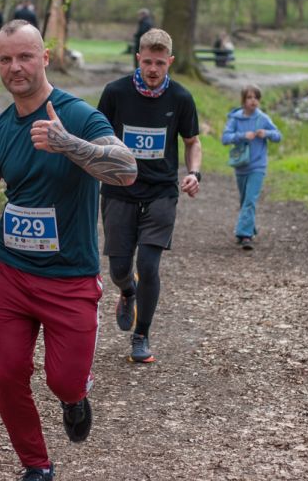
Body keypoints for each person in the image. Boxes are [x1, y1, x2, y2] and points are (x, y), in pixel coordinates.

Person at [0, 20, 137, 481]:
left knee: (63, 380)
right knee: (6, 375)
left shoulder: (78, 116)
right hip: (10, 273)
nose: (15, 67)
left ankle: (75, 398)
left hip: (70, 278)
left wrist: (67, 144)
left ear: (46, 57)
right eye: (5, 59)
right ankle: (36, 465)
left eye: (25, 56)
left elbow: (127, 168)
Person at [96, 28, 202, 364]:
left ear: (170, 61)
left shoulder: (181, 98)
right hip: (119, 189)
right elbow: (96, 137)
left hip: (161, 191)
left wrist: (194, 173)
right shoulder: (115, 93)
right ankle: (128, 291)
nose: (153, 69)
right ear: (138, 59)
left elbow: (192, 142)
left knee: (149, 265)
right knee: (119, 269)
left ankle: (141, 335)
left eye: (160, 63)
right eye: (147, 62)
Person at [221, 85, 282, 250]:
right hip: (240, 165)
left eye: (256, 98)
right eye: (249, 97)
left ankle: (244, 235)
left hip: (258, 166)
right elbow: (225, 138)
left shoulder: (263, 118)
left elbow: (278, 136)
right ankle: (250, 228)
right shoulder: (235, 119)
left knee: (250, 200)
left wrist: (266, 134)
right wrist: (242, 136)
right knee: (244, 200)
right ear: (243, 100)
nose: (253, 101)